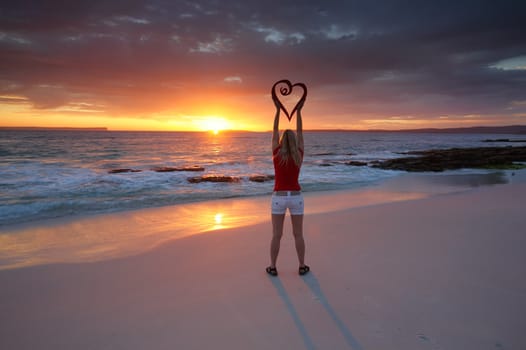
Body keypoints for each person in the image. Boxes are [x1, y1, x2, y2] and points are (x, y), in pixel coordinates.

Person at [266, 94, 310, 277]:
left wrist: (277, 110)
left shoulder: (276, 153)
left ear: (282, 141)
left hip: (279, 197)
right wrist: (299, 112)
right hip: (296, 197)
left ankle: (273, 267)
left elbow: (274, 131)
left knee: (277, 235)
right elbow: (300, 133)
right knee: (298, 234)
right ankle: (302, 266)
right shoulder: (299, 154)